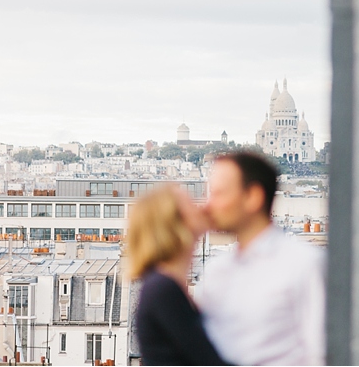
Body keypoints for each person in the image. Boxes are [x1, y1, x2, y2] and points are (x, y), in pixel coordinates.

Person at [197, 152, 326, 365]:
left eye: (218, 194)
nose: (208, 205)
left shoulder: (305, 264)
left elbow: (320, 354)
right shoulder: (214, 270)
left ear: (253, 197)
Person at [127, 186, 229, 366]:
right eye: (191, 204)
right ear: (176, 224)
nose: (201, 207)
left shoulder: (162, 285)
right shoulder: (163, 290)